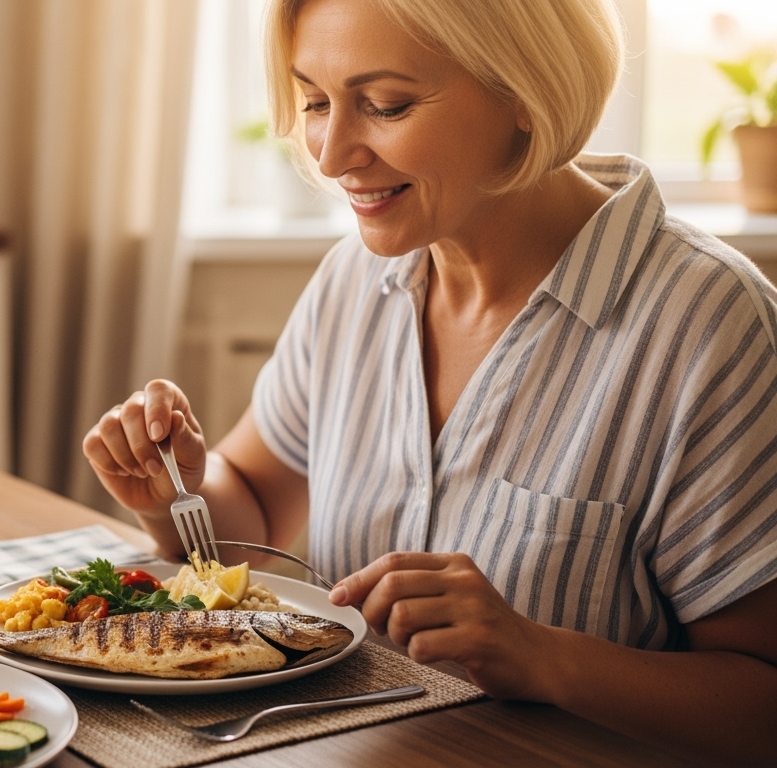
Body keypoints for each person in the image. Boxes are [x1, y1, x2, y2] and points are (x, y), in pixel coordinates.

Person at [83, 0, 777, 760]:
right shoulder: (355, 278)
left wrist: (545, 658)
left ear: (524, 89)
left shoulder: (709, 324)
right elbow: (251, 507)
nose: (331, 151)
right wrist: (174, 489)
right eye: (315, 101)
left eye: (385, 105)